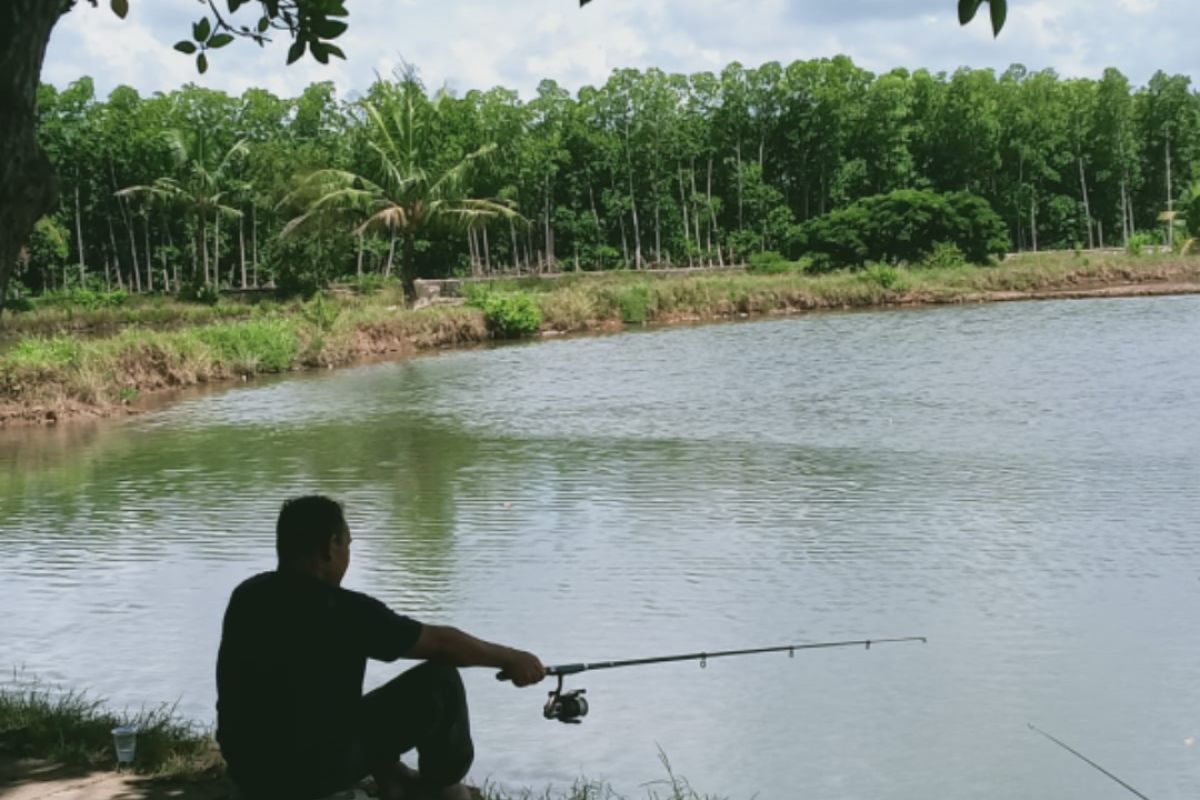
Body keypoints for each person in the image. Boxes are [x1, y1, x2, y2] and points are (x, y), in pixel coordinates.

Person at [216, 495, 546, 800]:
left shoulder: (247, 595)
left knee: (328, 698)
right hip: (310, 773)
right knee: (440, 681)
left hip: (250, 768)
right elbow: (442, 645)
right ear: (331, 546)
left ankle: (394, 780)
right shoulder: (345, 611)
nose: (348, 552)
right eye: (347, 543)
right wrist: (512, 658)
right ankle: (442, 788)